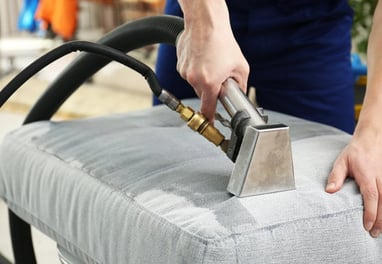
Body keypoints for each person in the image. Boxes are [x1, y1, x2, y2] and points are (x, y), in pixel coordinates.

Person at [155, 0, 382, 238]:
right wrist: (205, 21)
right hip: (202, 13)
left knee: (343, 191)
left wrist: (374, 132)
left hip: (311, 27)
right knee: (169, 182)